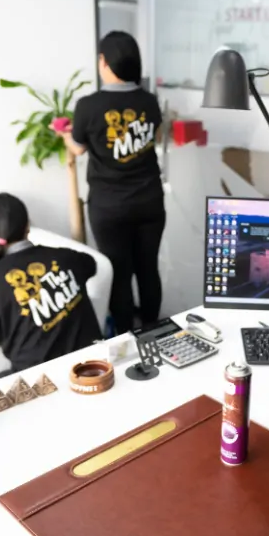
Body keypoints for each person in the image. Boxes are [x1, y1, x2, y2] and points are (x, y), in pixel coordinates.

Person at [58, 30, 165, 334]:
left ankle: (126, 337)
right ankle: (152, 330)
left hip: (109, 207)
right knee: (148, 269)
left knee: (119, 274)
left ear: (104, 62)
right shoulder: (149, 101)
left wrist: (65, 134)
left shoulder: (88, 106)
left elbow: (78, 148)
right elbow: (156, 137)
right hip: (149, 201)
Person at [0, 193, 102, 379]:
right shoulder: (68, 258)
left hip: (40, 382)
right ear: (28, 225)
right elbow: (92, 265)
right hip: (95, 367)